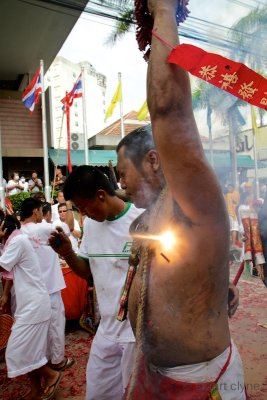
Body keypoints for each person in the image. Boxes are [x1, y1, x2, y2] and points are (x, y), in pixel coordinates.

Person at [114, 2, 245, 399]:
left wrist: (163, 11)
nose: (120, 186)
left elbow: (169, 109)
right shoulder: (148, 215)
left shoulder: (194, 201)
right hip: (152, 372)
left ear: (153, 160)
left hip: (201, 382)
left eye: (122, 174)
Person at [48, 166, 143, 400]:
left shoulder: (141, 221)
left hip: (136, 335)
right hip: (106, 330)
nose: (83, 214)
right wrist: (69, 253)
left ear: (101, 195)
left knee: (135, 394)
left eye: (83, 207)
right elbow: (87, 270)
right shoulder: (92, 225)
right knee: (97, 393)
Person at [0, 214, 61, 400]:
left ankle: (51, 375)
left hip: (34, 305)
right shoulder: (16, 241)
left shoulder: (18, 241)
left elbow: (2, 268)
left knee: (16, 352)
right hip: (30, 304)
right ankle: (35, 390)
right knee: (31, 351)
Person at [20, 198, 74, 373]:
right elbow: (70, 228)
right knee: (56, 324)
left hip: (30, 290)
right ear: (36, 211)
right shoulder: (43, 228)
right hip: (49, 286)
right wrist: (70, 206)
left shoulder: (18, 233)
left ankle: (41, 361)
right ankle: (57, 361)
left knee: (39, 328)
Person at [225, 183, 240, 247]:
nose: (229, 189)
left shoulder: (227, 195)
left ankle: (231, 243)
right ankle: (233, 244)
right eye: (228, 188)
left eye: (230, 188)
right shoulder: (233, 194)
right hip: (232, 214)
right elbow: (236, 204)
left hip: (229, 214)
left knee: (231, 229)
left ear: (233, 188)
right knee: (234, 229)